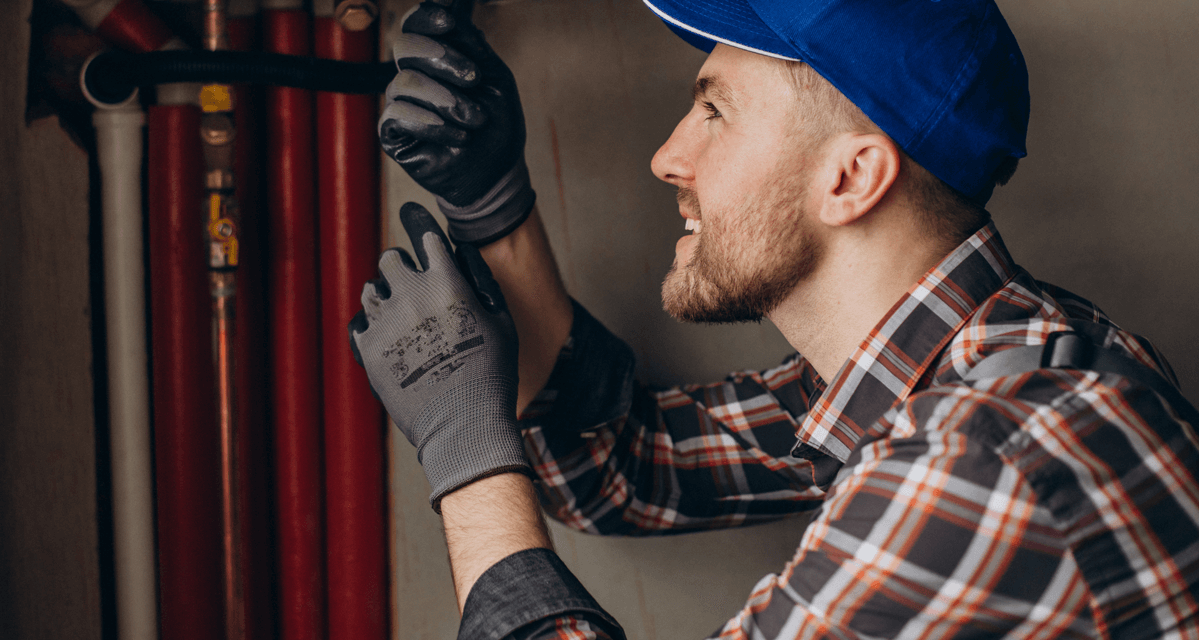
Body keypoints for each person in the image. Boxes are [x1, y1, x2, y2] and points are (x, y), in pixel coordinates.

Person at [349, 0, 1199, 637]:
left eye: (714, 110)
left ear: (851, 179)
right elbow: (621, 466)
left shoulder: (983, 460)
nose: (667, 157)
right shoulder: (989, 349)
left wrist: (466, 450)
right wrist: (495, 209)